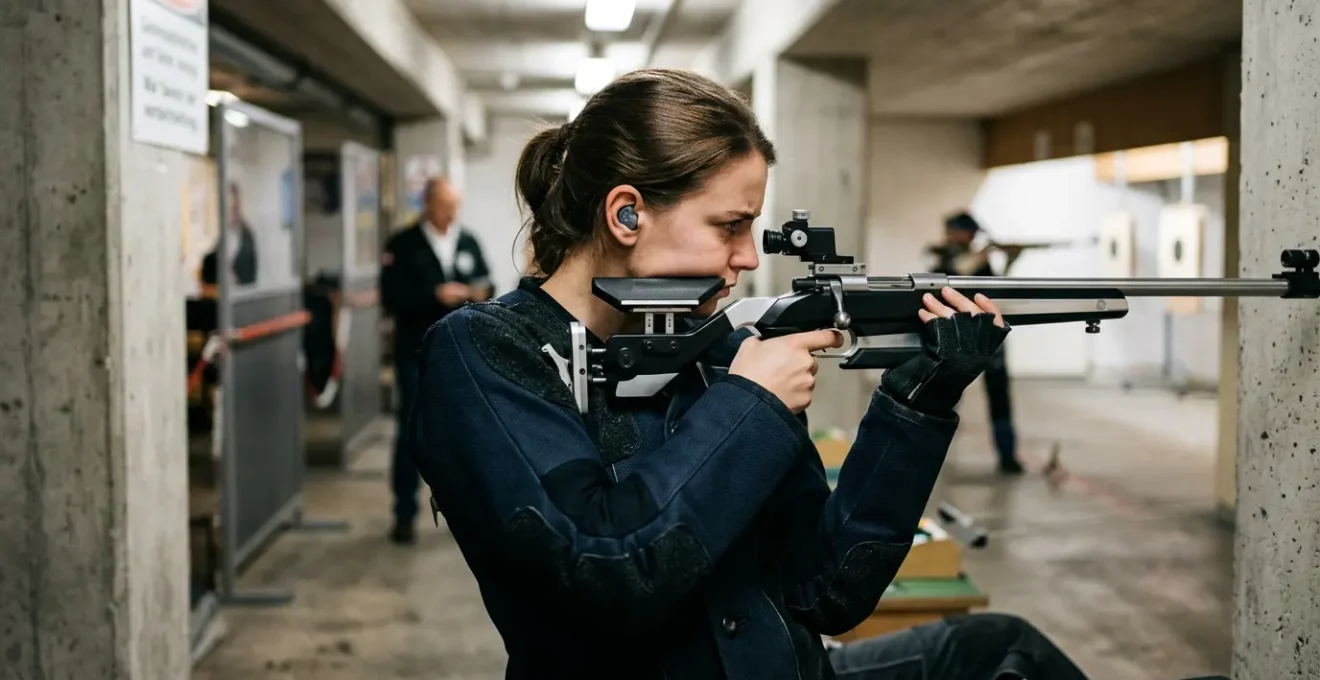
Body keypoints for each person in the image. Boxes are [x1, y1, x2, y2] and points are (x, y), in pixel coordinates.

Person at [405, 69, 1088, 679]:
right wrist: (751, 402)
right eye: (728, 226)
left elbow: (827, 593)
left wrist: (918, 400)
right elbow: (604, 573)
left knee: (1005, 652)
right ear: (626, 213)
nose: (743, 258)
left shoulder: (716, 350)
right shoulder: (485, 352)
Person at [380, 176, 493, 544]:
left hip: (460, 353)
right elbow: (391, 296)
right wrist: (433, 295)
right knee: (412, 432)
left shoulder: (467, 240)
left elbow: (486, 283)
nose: (451, 213)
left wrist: (474, 292)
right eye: (445, 206)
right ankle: (404, 513)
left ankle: (466, 512)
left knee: (465, 430)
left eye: (454, 206)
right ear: (427, 205)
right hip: (415, 352)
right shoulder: (403, 243)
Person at [930, 212, 1024, 475]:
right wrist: (979, 258)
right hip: (954, 332)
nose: (959, 236)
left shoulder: (980, 261)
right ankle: (929, 451)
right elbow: (951, 280)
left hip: (985, 329)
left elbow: (992, 292)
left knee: (999, 395)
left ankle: (1007, 456)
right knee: (944, 394)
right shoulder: (943, 257)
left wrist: (1011, 260)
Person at [200, 182, 258, 289]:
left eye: (233, 206)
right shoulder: (223, 236)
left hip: (240, 294)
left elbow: (250, 271)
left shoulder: (247, 235)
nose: (230, 211)